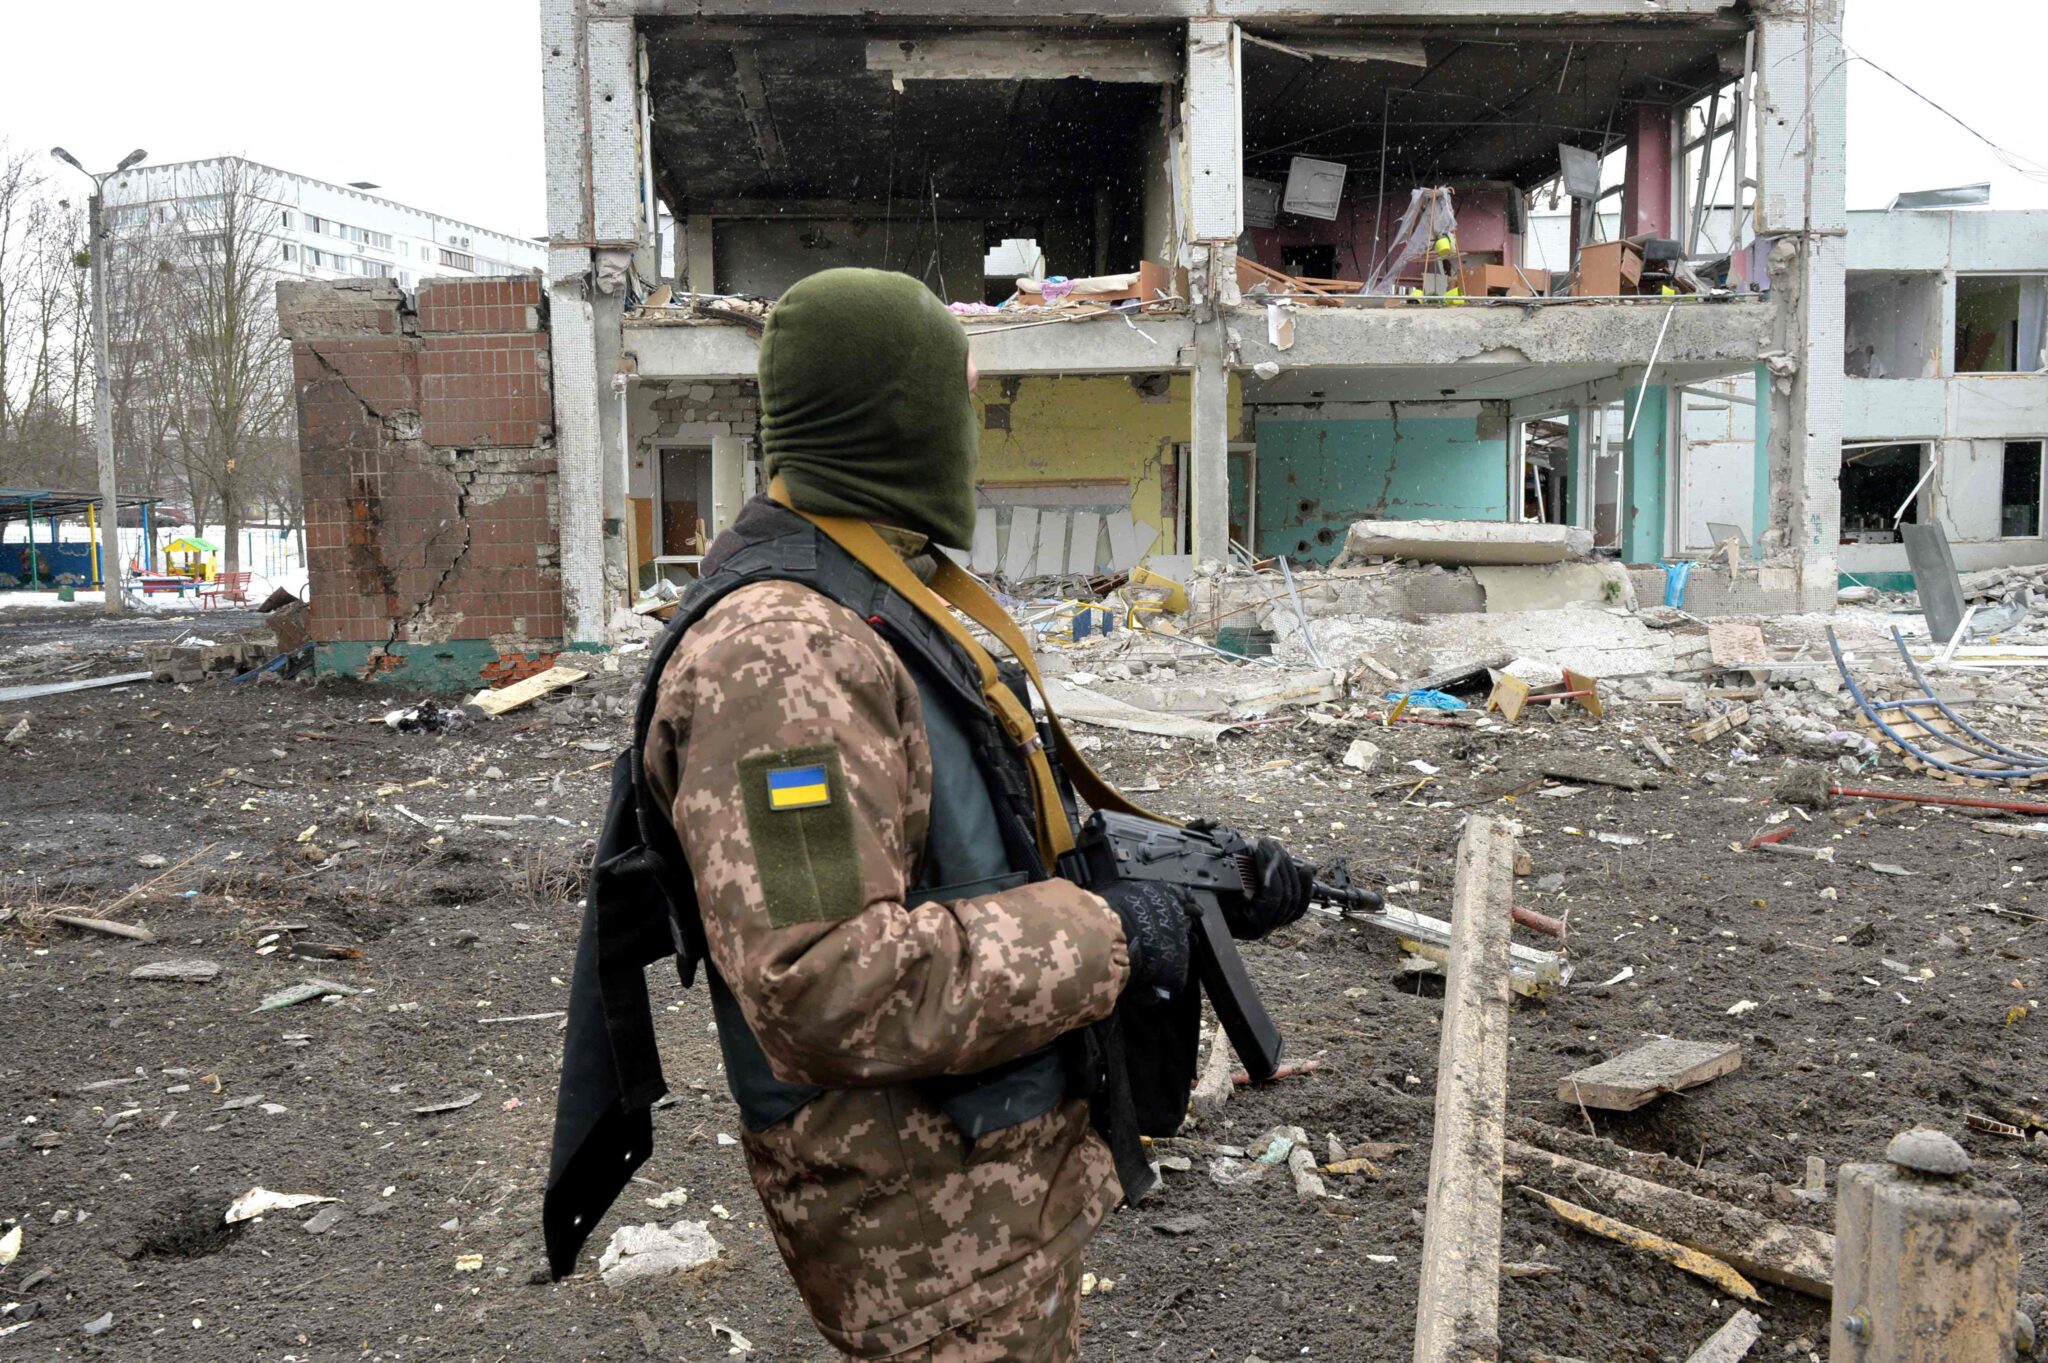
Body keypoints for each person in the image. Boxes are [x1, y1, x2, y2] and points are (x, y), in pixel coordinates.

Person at [569, 268, 1308, 1361]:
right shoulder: (785, 659)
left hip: (981, 1193)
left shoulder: (874, 595)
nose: (970, 431)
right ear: (897, 413)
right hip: (923, 1234)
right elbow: (824, 976)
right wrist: (1111, 933)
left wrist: (1182, 875)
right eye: (957, 400)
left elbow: (972, 839)